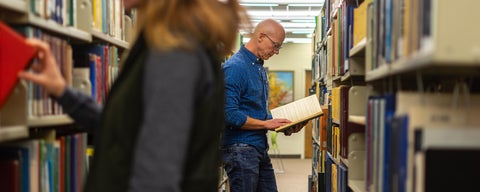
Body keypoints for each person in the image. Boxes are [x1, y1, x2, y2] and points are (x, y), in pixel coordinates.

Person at [18, 0, 250, 191]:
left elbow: (157, 179)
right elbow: (125, 134)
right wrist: (62, 91)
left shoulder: (175, 54)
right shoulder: (173, 45)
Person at [222, 19, 305, 192]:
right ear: (261, 36)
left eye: (279, 48)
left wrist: (282, 124)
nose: (276, 52)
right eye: (275, 46)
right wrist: (266, 124)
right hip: (240, 150)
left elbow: (257, 113)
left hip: (258, 148)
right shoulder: (234, 67)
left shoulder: (258, 68)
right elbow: (228, 113)